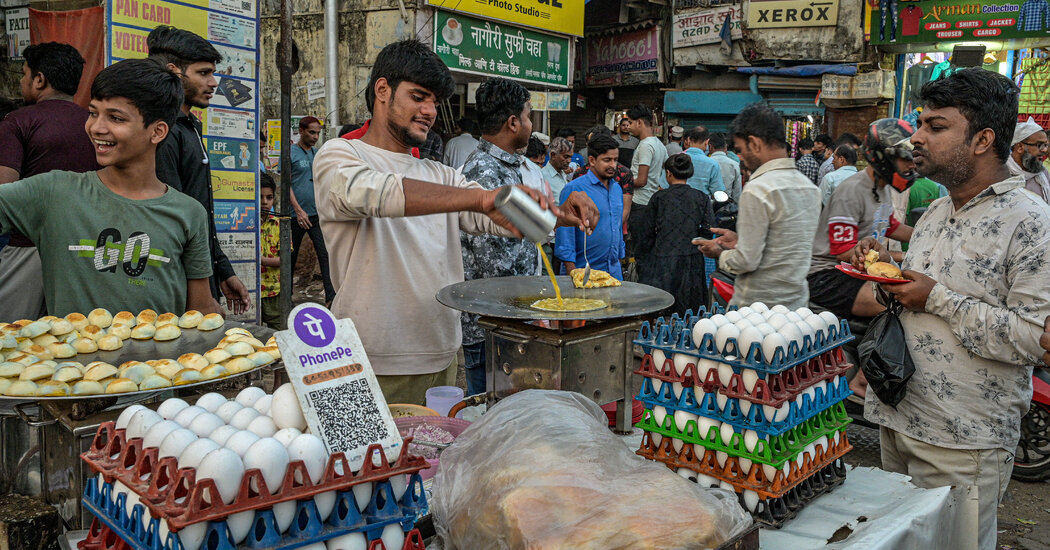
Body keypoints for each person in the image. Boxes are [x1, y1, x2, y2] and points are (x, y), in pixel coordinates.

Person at [311, 42, 598, 404]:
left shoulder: (441, 174)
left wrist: (557, 213)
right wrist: (482, 198)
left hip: (444, 355)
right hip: (373, 359)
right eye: (418, 97)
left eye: (434, 102)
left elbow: (496, 215)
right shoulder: (341, 155)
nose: (429, 111)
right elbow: (377, 194)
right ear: (382, 90)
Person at [852, 68, 1050, 550]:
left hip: (964, 440)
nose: (916, 137)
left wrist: (935, 296)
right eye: (921, 124)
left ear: (983, 139)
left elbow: (1038, 339)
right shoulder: (937, 211)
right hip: (898, 419)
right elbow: (912, 302)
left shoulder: (1031, 223)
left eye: (936, 127)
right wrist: (884, 274)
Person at [0, 58, 220, 316]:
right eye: (93, 113)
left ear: (158, 132)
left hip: (158, 357)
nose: (96, 127)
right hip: (72, 357)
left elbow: (201, 310)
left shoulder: (189, 213)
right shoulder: (53, 192)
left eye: (116, 118)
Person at [148, 26, 250, 315]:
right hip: (174, 281)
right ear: (174, 72)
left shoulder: (190, 126)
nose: (214, 82)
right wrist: (201, 292)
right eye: (204, 73)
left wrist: (222, 270)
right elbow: (174, 220)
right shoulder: (163, 133)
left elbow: (199, 211)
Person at [0, 42, 100, 319]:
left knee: (13, 338)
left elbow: (4, 194)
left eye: (23, 74)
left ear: (40, 80)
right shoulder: (95, 126)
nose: (21, 81)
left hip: (27, 250)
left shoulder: (18, 122)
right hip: (86, 250)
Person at [459, 78, 544, 397]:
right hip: (494, 328)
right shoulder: (485, 171)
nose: (530, 124)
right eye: (528, 116)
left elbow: (530, 230)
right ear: (512, 122)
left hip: (513, 322)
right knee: (492, 422)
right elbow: (494, 263)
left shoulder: (509, 166)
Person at [693, 103, 820, 309]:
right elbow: (783, 245)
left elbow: (746, 261)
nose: (740, 158)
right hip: (797, 307)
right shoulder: (809, 188)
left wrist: (719, 252)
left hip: (757, 310)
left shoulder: (758, 189)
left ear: (755, 144)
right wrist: (739, 240)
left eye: (741, 150)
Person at [808, 119, 916, 320]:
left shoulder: (881, 188)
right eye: (905, 158)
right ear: (881, 157)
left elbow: (890, 226)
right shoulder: (852, 190)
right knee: (900, 307)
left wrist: (927, 236)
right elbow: (842, 250)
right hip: (826, 275)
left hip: (857, 271)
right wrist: (899, 258)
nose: (912, 164)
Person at [640, 153, 713, 314]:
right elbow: (708, 231)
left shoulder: (659, 198)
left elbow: (646, 233)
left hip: (663, 259)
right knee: (691, 311)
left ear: (668, 173)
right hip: (692, 259)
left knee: (663, 307)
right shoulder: (701, 198)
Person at [555, 135, 624, 278]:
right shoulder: (574, 189)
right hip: (583, 275)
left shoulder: (617, 189)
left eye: (615, 160)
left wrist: (619, 260)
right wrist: (572, 275)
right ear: (592, 160)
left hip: (613, 273)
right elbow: (565, 238)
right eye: (607, 160)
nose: (613, 165)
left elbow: (617, 227)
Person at [289, 116, 336, 306]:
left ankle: (331, 298)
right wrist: (298, 210)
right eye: (312, 132)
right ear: (301, 131)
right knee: (290, 257)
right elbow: (286, 184)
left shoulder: (318, 154)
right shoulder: (290, 153)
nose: (316, 136)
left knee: (325, 255)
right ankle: (285, 298)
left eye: (318, 133)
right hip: (295, 216)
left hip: (317, 214)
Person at [626, 104, 668, 284]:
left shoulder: (645, 146)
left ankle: (643, 292)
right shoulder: (659, 145)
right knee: (648, 253)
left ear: (640, 123)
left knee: (641, 254)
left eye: (630, 122)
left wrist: (621, 181)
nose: (628, 126)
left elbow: (641, 180)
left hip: (640, 203)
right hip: (651, 203)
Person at [258, 172, 285, 329]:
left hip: (273, 291)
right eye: (260, 197)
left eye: (269, 197)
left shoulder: (279, 224)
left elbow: (284, 260)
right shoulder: (245, 224)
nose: (264, 202)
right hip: (249, 292)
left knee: (278, 334)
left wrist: (259, 260)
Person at [1007, 116, 1050, 203]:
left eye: (1045, 145)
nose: (1045, 150)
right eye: (1039, 145)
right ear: (1019, 147)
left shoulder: (1043, 173)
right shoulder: (1003, 175)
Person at [681, 126, 725, 196]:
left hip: (677, 205)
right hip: (703, 205)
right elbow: (718, 192)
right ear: (707, 142)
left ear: (688, 140)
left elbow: (664, 185)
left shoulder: (675, 159)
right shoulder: (712, 164)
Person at [709, 132, 742, 203]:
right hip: (727, 206)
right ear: (725, 147)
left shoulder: (706, 163)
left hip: (708, 205)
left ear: (710, 146)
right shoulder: (734, 164)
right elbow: (737, 190)